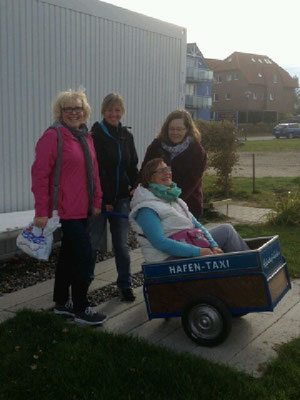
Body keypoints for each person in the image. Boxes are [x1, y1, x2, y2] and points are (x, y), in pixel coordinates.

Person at [31, 89, 107, 325]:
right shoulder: (53, 136)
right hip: (65, 210)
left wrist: (96, 201)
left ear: (85, 111)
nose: (74, 112)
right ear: (60, 112)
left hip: (83, 209)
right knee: (84, 257)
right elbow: (40, 175)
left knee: (68, 256)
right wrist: (41, 211)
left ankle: (62, 303)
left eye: (78, 108)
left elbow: (94, 173)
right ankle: (82, 308)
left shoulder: (85, 136)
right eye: (68, 108)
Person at [129, 158, 249, 263]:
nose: (167, 173)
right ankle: (248, 272)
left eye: (167, 169)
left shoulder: (174, 200)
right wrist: (198, 252)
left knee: (226, 230)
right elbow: (160, 242)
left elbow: (198, 226)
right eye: (160, 171)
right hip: (168, 258)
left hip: (191, 242)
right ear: (150, 178)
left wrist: (214, 245)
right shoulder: (146, 208)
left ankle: (250, 267)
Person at [90, 93, 138, 301]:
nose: (113, 113)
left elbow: (132, 165)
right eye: (110, 110)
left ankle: (125, 284)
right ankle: (83, 286)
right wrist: (106, 200)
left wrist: (135, 186)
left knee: (121, 244)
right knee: (92, 243)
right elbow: (98, 170)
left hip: (121, 199)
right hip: (100, 199)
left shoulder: (126, 136)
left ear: (122, 112)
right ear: (103, 111)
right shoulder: (96, 134)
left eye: (117, 110)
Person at [139, 109, 207, 219]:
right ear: (166, 129)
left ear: (187, 130)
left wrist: (170, 202)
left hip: (186, 207)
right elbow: (144, 172)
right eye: (172, 129)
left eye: (179, 129)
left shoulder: (197, 152)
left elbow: (191, 183)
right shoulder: (156, 146)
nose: (175, 133)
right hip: (156, 205)